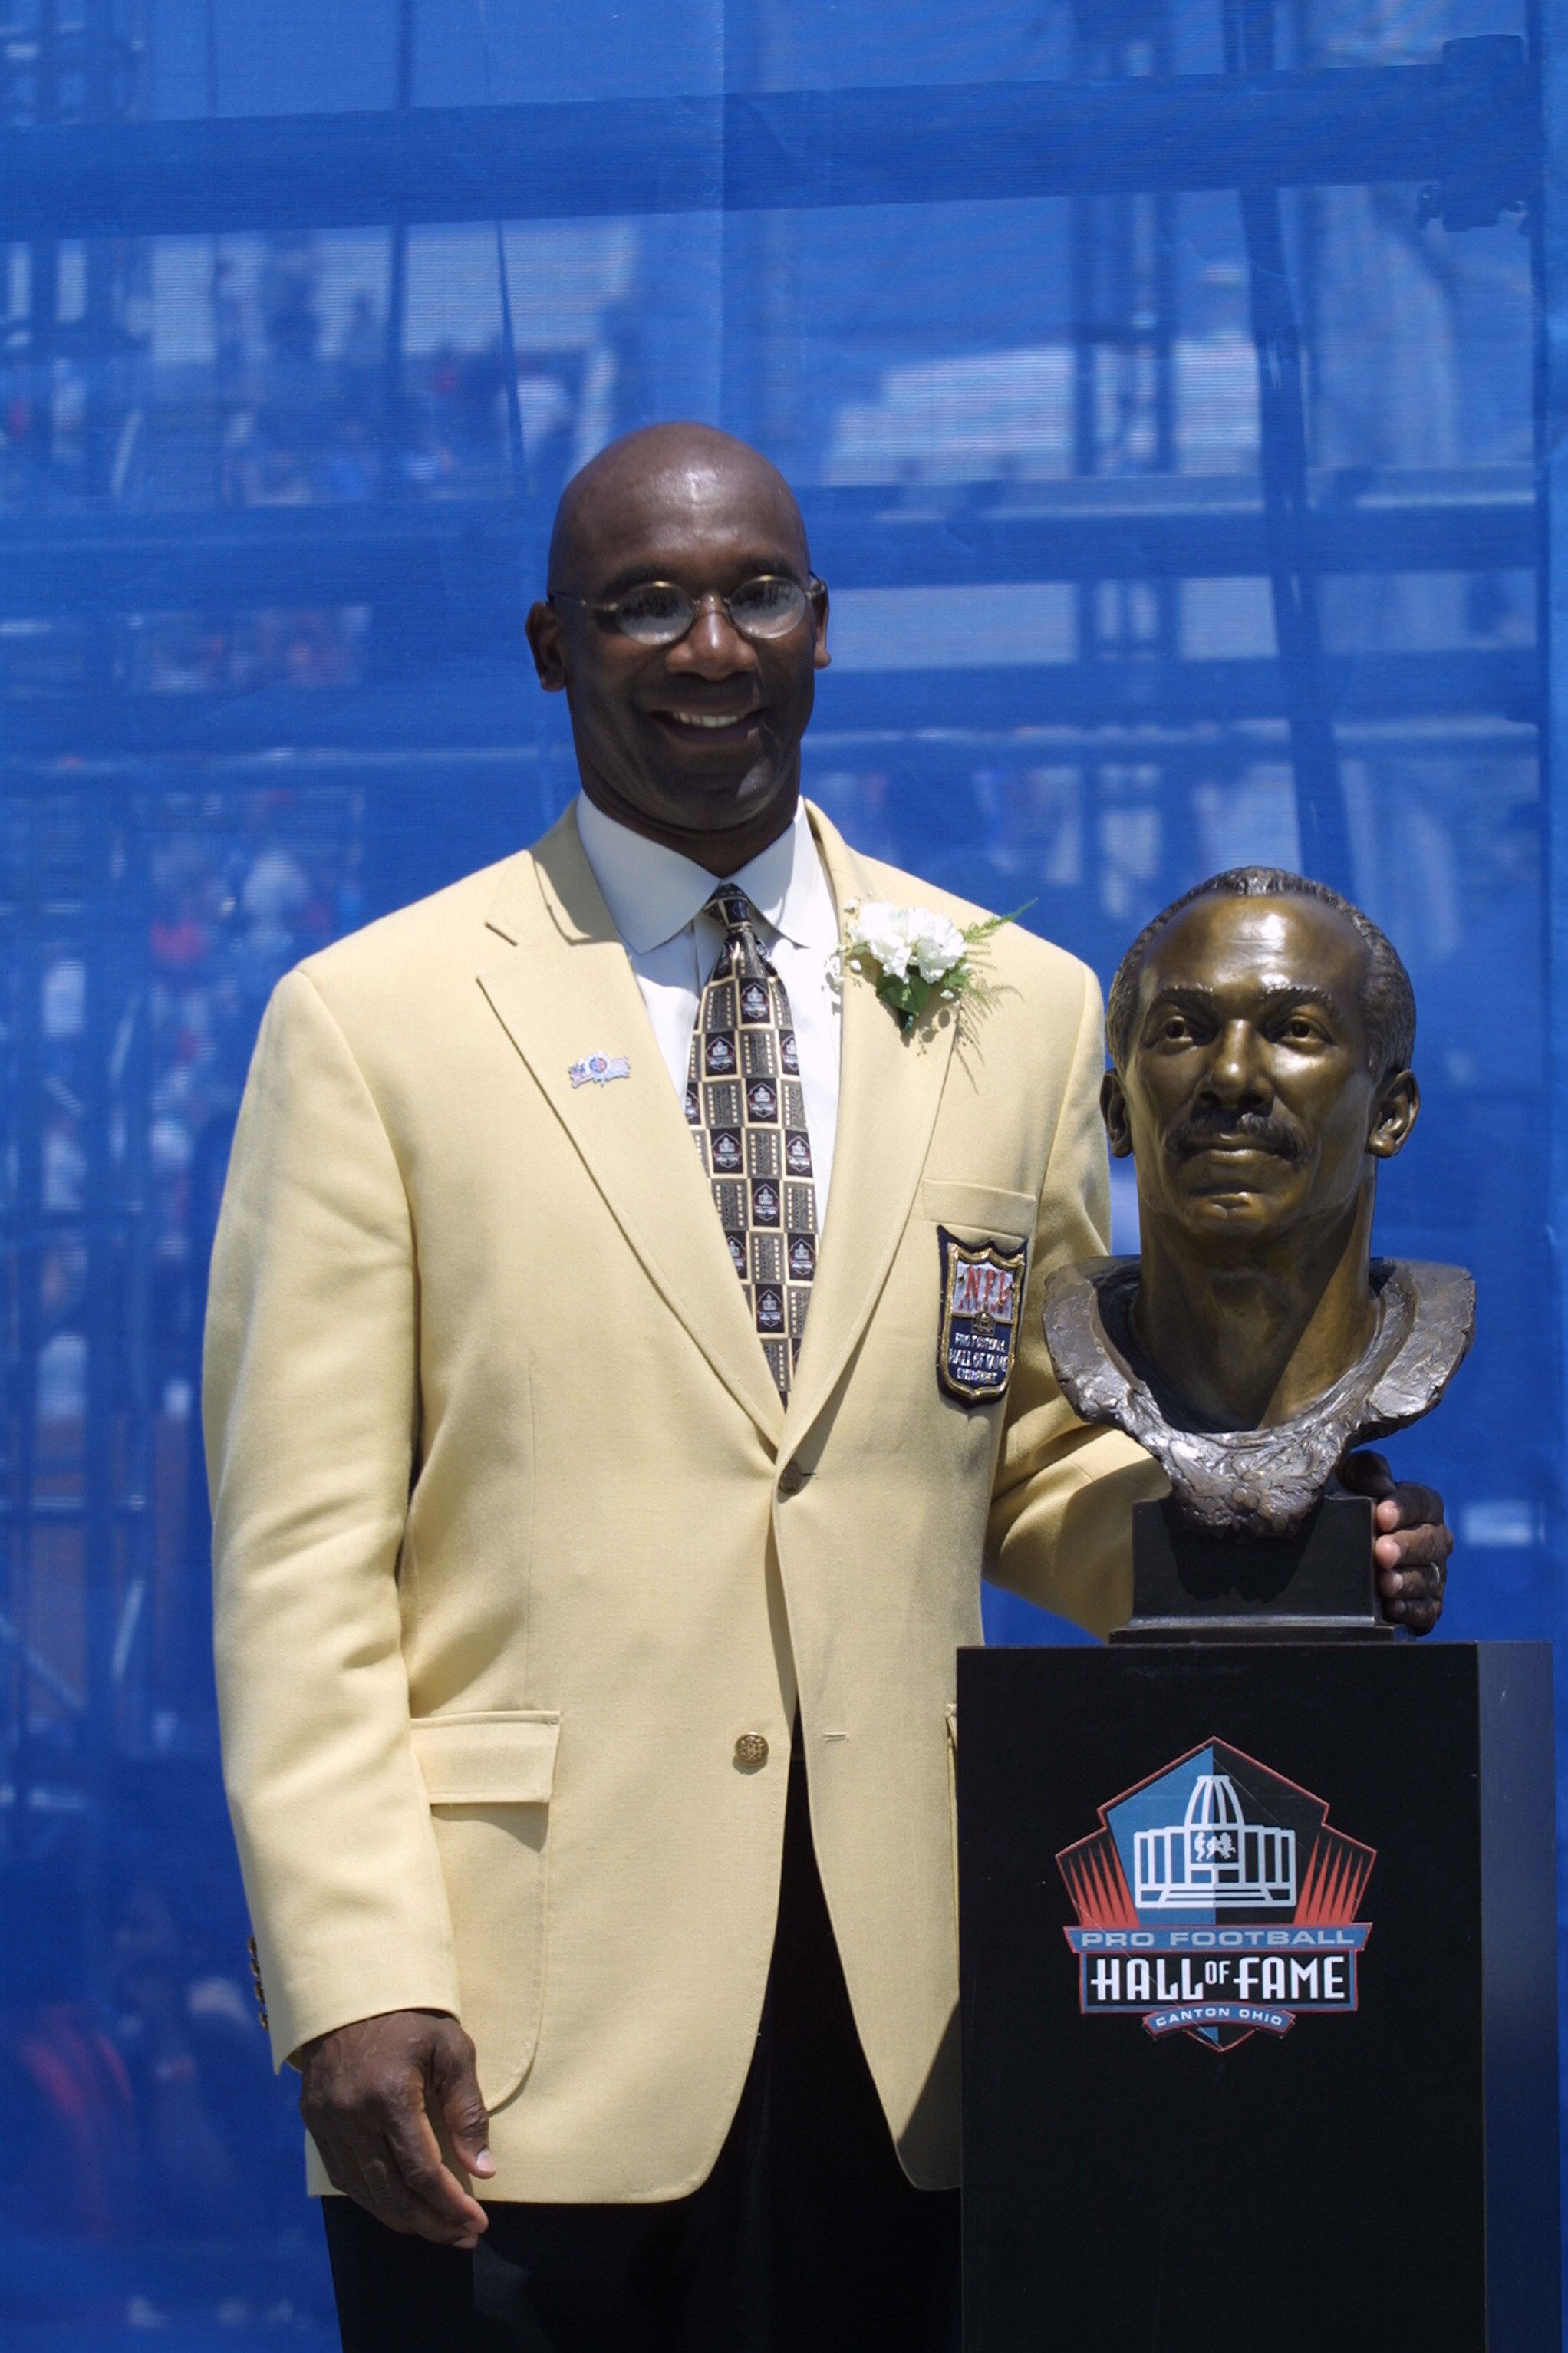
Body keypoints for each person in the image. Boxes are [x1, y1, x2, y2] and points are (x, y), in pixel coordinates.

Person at [203, 423, 1448, 2351]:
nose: (710, 647)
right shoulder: (373, 1025)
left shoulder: (1015, 1002)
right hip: (507, 2030)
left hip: (916, 2012)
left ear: (820, 626)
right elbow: (299, 1565)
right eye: (645, 604)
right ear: (551, 646)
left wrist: (1271, 1554)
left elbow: (1030, 1450)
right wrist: (354, 1971)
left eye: (755, 594)